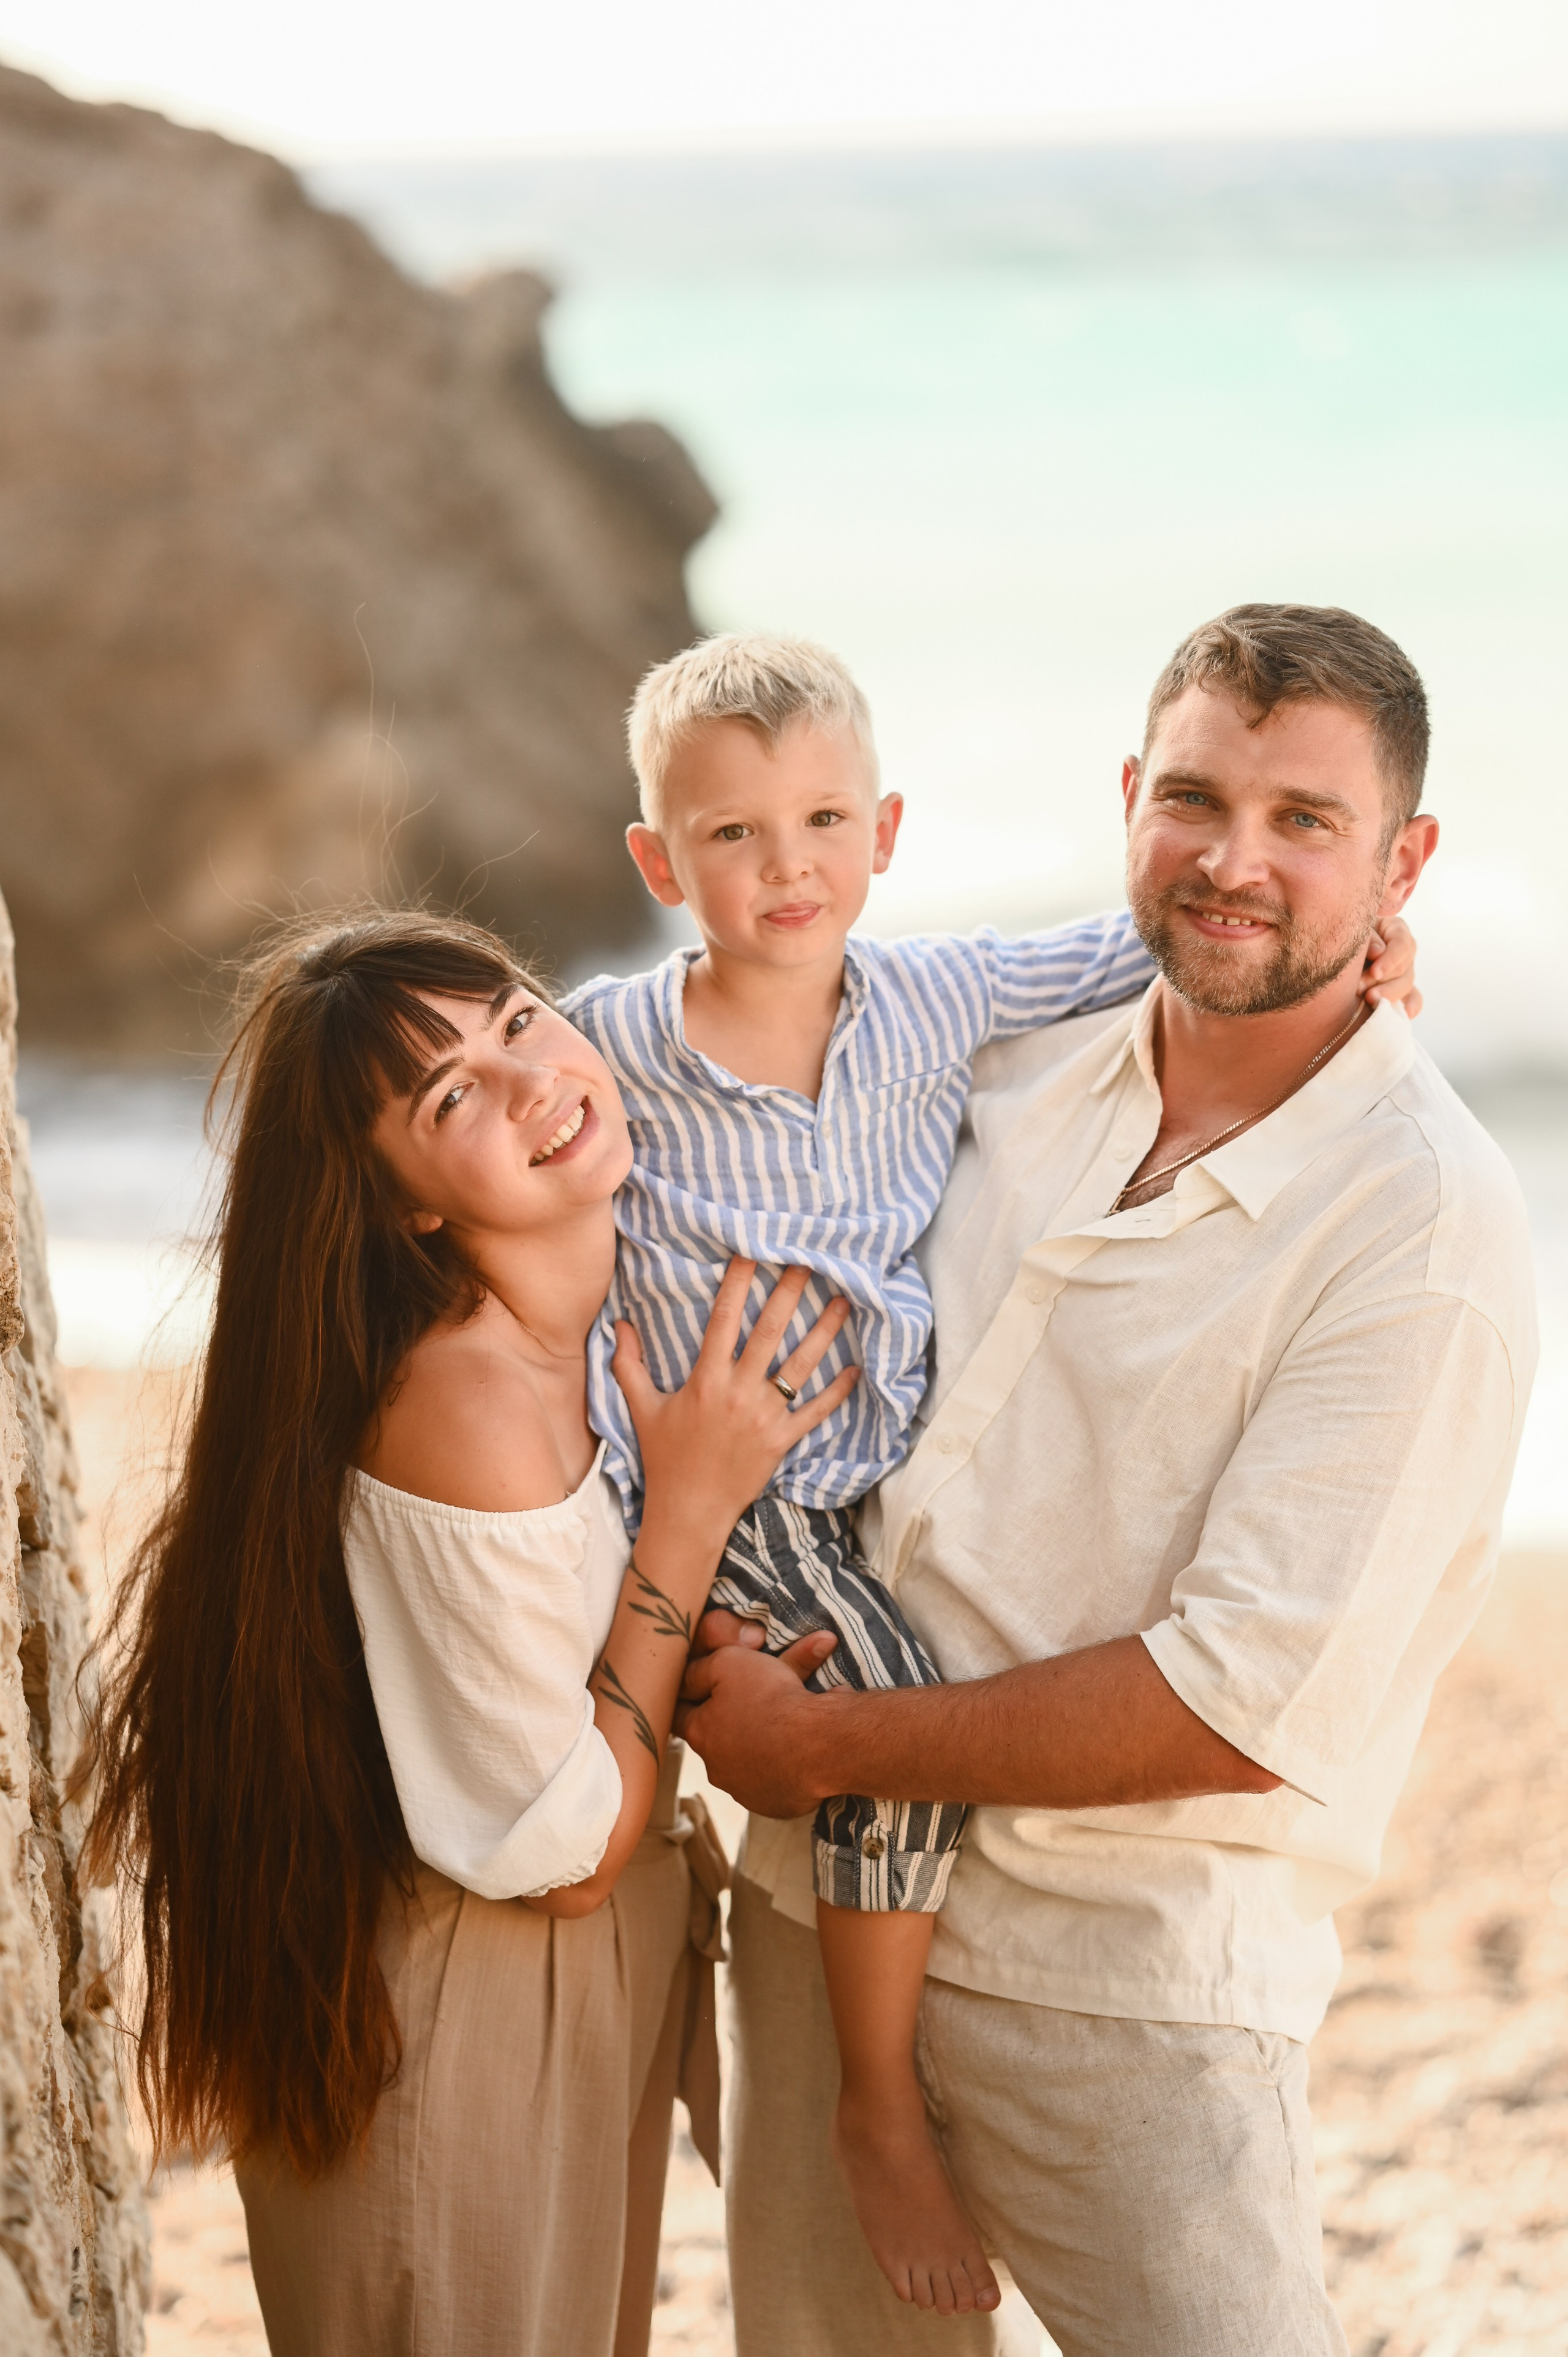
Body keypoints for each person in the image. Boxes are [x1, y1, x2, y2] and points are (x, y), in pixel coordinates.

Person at [678, 605, 1539, 2356]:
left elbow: (1236, 1702)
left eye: (1306, 822)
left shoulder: (1421, 1227)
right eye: (1195, 801)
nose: (1233, 862)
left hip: (1117, 1985)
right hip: (813, 1916)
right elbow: (701, 1113)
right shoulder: (987, 1060)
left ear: (1404, 864)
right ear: (1130, 795)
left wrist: (823, 1745)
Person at [86, 910, 856, 2357]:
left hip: (578, 1977)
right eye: (450, 1098)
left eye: (515, 1019)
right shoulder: (464, 1399)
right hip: (472, 2005)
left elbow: (845, 1000)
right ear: (402, 1207)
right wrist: (690, 1512)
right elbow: (566, 1852)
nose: (528, 1080)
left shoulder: (601, 1306)